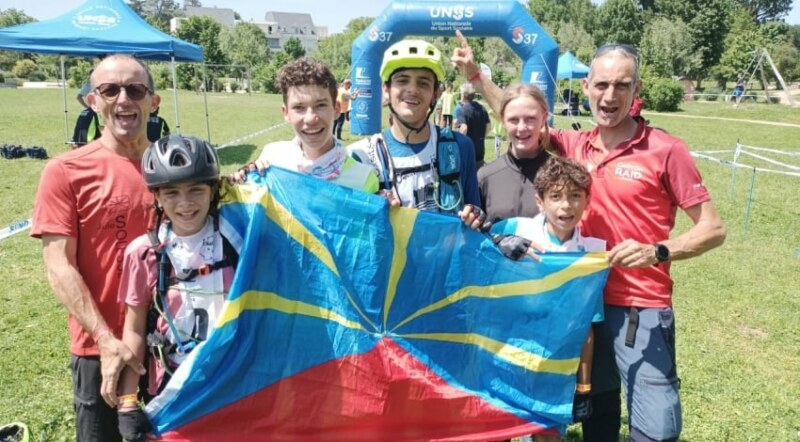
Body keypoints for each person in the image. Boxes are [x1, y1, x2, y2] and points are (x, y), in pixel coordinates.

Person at [454, 33, 727, 442]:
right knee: (596, 406)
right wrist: (476, 75)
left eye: (622, 84)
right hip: (575, 300)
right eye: (601, 84)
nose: (610, 95)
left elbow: (713, 228)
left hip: (637, 304)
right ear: (586, 87)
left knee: (657, 426)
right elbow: (522, 118)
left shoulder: (666, 149)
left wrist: (658, 250)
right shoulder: (574, 144)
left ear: (636, 89)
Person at [31, 54, 161, 442]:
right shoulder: (66, 171)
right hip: (98, 347)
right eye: (110, 90)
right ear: (93, 101)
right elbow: (59, 266)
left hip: (170, 345)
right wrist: (106, 340)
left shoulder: (176, 166)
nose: (124, 99)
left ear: (153, 101)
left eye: (135, 89)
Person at [110, 134, 235, 442]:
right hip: (172, 385)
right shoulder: (144, 253)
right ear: (157, 196)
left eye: (196, 189)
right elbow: (135, 329)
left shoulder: (237, 239)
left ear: (213, 190)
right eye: (172, 192)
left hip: (230, 379)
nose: (185, 203)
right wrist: (127, 402)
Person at [492, 156, 607, 440]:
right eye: (555, 196)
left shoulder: (590, 255)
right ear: (540, 201)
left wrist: (584, 385)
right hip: (507, 358)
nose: (566, 205)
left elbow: (587, 329)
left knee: (549, 436)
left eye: (575, 196)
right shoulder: (516, 230)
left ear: (587, 200)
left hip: (555, 367)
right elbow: (473, 238)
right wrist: (497, 241)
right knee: (495, 432)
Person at [348, 39, 480, 214]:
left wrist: (476, 216)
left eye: (423, 83)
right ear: (386, 89)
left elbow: (475, 212)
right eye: (402, 81)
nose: (412, 89)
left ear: (435, 94)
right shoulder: (362, 156)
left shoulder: (460, 146)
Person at [243, 58, 378, 193]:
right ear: (286, 113)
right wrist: (241, 178)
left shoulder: (363, 179)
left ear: (336, 109)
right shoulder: (271, 159)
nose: (311, 119)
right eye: (299, 107)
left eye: (320, 105)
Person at [468, 83, 552, 225]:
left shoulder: (560, 176)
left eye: (530, 119)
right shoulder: (485, 177)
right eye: (513, 120)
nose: (521, 128)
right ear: (502, 120)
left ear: (543, 118)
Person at [455, 82, 491, 169]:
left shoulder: (462, 110)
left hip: (468, 150)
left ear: (463, 95)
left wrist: (458, 142)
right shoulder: (482, 108)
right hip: (480, 149)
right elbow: (489, 126)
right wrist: (481, 137)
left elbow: (464, 128)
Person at [71, 69, 101, 148]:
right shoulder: (88, 85)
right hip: (93, 112)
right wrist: (88, 106)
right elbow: (78, 97)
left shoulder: (100, 84)